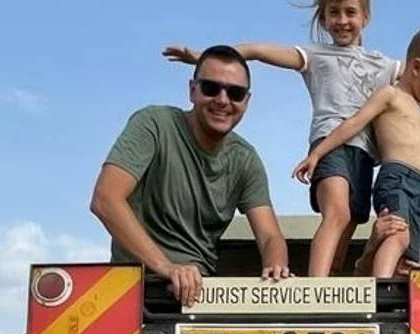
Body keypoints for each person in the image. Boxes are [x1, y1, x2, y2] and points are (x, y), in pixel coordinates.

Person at [163, 2, 420, 278]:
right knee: (337, 213)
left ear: (365, 16)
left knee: (351, 220)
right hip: (331, 142)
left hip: (364, 154)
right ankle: (316, 286)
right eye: (333, 12)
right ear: (323, 18)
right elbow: (257, 51)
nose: (342, 20)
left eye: (350, 12)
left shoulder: (383, 65)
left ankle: (332, 280)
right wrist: (205, 58)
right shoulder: (316, 55)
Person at [89, 45, 290, 307]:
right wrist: (167, 267)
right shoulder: (154, 124)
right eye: (210, 88)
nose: (223, 100)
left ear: (247, 101)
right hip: (134, 289)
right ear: (192, 90)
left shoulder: (245, 159)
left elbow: (270, 236)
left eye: (235, 93)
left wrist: (276, 268)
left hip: (199, 295)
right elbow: (105, 199)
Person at [292, 27, 420, 278]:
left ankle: (394, 286)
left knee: (410, 254)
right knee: (397, 234)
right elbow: (353, 123)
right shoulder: (390, 95)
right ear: (416, 67)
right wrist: (317, 154)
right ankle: (380, 284)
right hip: (397, 179)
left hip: (419, 188)